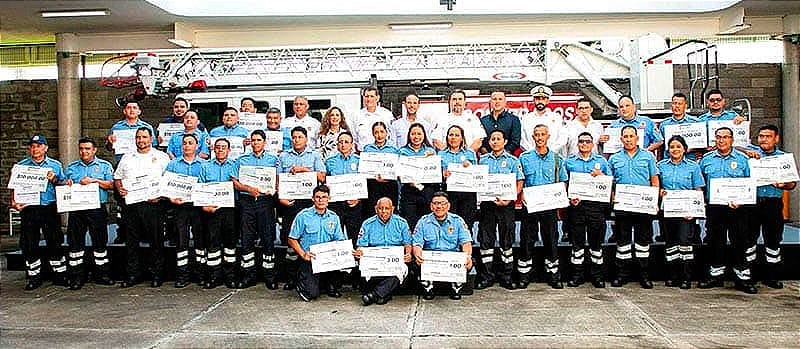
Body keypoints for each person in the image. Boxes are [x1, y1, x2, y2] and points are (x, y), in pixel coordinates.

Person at [698, 127, 756, 294]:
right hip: (715, 208)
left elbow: (750, 184)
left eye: (725, 137)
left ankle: (742, 277)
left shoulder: (743, 160)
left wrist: (742, 200)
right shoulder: (706, 160)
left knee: (740, 241)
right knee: (715, 241)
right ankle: (716, 275)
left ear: (732, 140)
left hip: (738, 208)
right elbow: (700, 183)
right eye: (718, 137)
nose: (722, 140)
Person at [113, 127, 170, 288]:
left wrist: (161, 196)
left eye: (144, 137)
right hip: (132, 205)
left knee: (156, 241)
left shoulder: (162, 157)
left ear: (151, 138)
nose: (141, 140)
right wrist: (120, 189)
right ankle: (133, 274)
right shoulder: (127, 157)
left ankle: (157, 275)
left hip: (154, 205)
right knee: (131, 241)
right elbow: (118, 178)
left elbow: (169, 179)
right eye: (138, 137)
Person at [9, 134, 66, 290]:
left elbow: (64, 185)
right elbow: (14, 187)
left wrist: (54, 179)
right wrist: (14, 202)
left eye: (39, 146)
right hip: (29, 208)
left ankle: (59, 274)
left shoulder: (55, 165)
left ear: (45, 148)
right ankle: (34, 276)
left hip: (49, 207)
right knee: (30, 242)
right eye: (33, 146)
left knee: (54, 240)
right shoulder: (21, 166)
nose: (35, 149)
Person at [744, 125, 797, 289]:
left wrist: (783, 184)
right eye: (761, 136)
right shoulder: (750, 155)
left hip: (773, 204)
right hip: (752, 203)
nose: (764, 139)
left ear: (776, 138)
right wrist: (747, 152)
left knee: (773, 240)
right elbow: (734, 146)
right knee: (749, 240)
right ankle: (750, 275)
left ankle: (772, 276)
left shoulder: (784, 158)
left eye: (768, 136)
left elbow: (792, 184)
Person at [608, 125, 660, 289]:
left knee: (643, 242)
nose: (629, 139)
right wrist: (612, 197)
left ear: (637, 138)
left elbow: (654, 180)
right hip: (622, 206)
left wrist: (654, 202)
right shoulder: (614, 159)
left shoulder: (648, 156)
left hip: (643, 206)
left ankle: (644, 275)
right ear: (621, 139)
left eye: (632, 136)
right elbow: (610, 183)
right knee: (622, 241)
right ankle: (622, 275)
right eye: (626, 136)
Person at [518, 124, 569, 289]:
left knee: (551, 240)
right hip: (530, 206)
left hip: (549, 207)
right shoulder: (524, 158)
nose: (539, 138)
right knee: (527, 240)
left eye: (542, 134)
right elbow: (520, 180)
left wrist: (560, 196)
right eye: (537, 135)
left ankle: (554, 275)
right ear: (533, 137)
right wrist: (522, 195)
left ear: (548, 136)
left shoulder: (557, 159)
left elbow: (563, 182)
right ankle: (524, 275)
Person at [277, 127, 326, 290]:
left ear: (306, 139)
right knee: (291, 241)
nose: (296, 139)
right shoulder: (283, 156)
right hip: (290, 203)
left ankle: (309, 275)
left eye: (300, 137)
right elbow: (277, 180)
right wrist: (280, 197)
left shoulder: (315, 155)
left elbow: (322, 177)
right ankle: (292, 278)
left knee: (308, 238)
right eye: (294, 137)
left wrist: (305, 170)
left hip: (309, 203)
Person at [64, 137, 115, 290]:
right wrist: (67, 184)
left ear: (94, 150)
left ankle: (102, 274)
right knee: (75, 243)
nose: (84, 151)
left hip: (96, 208)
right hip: (76, 209)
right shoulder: (72, 168)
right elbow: (64, 186)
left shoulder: (104, 166)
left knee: (100, 242)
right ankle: (77, 277)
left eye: (87, 149)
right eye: (81, 149)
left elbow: (111, 185)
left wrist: (94, 181)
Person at [231, 130, 280, 289]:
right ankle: (248, 275)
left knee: (268, 239)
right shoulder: (242, 159)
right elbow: (235, 182)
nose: (255, 143)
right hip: (247, 202)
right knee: (247, 238)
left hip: (265, 202)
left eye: (258, 140)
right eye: (253, 140)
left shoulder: (273, 160)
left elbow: (278, 180)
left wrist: (274, 189)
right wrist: (248, 188)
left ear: (264, 142)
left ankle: (269, 276)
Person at [476, 129, 523, 290]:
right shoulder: (482, 161)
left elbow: (519, 183)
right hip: (487, 206)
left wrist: (509, 199)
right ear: (489, 142)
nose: (495, 141)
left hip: (506, 205)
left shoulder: (512, 161)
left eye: (498, 138)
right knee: (486, 240)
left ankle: (506, 276)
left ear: (504, 141)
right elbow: (477, 182)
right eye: (492, 139)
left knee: (506, 240)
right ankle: (487, 276)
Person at [657, 135, 705, 289]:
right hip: (668, 210)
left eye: (678, 147)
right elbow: (657, 187)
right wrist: (660, 192)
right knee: (670, 243)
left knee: (684, 242)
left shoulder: (693, 166)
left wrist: (695, 211)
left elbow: (698, 190)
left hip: (686, 212)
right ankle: (673, 275)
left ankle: (686, 276)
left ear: (684, 149)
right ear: (668, 150)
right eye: (672, 147)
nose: (675, 150)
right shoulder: (661, 166)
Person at [564, 132, 610, 288]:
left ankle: (597, 276)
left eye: (587, 141)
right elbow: (564, 183)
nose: (584, 144)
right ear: (577, 144)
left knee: (596, 243)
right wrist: (569, 198)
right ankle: (577, 275)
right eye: (581, 141)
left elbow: (610, 183)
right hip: (576, 207)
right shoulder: (569, 162)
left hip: (596, 207)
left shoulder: (601, 161)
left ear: (592, 144)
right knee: (577, 243)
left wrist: (601, 175)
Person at [288, 185, 347, 301]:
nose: (321, 200)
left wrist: (347, 252)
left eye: (324, 197)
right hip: (310, 259)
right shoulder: (303, 216)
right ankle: (301, 280)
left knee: (336, 281)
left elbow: (340, 239)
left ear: (329, 199)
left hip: (328, 259)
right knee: (312, 294)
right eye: (318, 197)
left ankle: (326, 284)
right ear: (313, 199)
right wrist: (303, 254)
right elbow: (291, 239)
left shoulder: (334, 217)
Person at [412, 192, 473, 300]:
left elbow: (466, 242)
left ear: (448, 206)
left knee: (468, 261)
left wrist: (467, 257)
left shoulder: (457, 221)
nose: (439, 206)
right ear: (431, 206)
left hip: (451, 258)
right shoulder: (423, 222)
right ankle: (428, 286)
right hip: (431, 259)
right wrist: (418, 255)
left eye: (442, 203)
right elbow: (417, 243)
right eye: (436, 203)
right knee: (415, 262)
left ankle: (456, 286)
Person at [163, 134, 204, 288]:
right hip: (180, 207)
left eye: (190, 143)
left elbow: (207, 185)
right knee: (182, 241)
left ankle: (201, 274)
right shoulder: (172, 164)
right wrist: (170, 198)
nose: (187, 145)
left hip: (198, 207)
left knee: (200, 240)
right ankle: (182, 275)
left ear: (196, 146)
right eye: (184, 143)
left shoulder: (204, 164)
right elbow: (165, 185)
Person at [198, 138, 240, 289]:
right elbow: (200, 188)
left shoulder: (235, 166)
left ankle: (230, 277)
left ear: (229, 150)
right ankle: (214, 276)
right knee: (213, 243)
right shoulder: (205, 166)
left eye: (224, 147)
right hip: (211, 210)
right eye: (218, 147)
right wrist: (205, 206)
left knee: (230, 243)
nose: (221, 150)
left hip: (230, 209)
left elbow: (240, 185)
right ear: (213, 150)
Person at [354, 198, 412, 306]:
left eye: (387, 208)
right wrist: (359, 252)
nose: (383, 211)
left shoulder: (402, 223)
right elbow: (361, 246)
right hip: (375, 263)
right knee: (367, 275)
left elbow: (408, 244)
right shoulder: (367, 224)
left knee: (400, 272)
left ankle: (374, 294)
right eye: (380, 208)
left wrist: (408, 254)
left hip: (393, 262)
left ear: (392, 209)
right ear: (376, 209)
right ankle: (383, 294)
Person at [439, 125, 478, 251]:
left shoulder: (470, 153)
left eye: (457, 135)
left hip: (467, 195)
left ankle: (467, 257)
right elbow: (434, 175)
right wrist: (442, 174)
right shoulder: (441, 154)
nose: (453, 138)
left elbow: (477, 175)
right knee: (449, 226)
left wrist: (470, 168)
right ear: (447, 137)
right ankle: (451, 256)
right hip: (448, 194)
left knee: (466, 226)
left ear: (462, 138)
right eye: (451, 135)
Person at [398, 123, 438, 231]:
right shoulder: (402, 152)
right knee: (409, 222)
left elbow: (435, 172)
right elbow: (399, 173)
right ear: (409, 135)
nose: (416, 137)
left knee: (427, 222)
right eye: (413, 134)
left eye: (419, 134)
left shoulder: (431, 151)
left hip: (427, 191)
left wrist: (432, 159)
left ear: (424, 135)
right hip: (409, 191)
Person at [325, 132, 363, 243]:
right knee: (335, 234)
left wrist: (358, 199)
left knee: (355, 234)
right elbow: (325, 180)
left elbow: (364, 182)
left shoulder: (359, 160)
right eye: (340, 142)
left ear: (352, 144)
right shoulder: (329, 161)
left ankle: (355, 258)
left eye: (346, 142)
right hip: (335, 204)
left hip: (354, 203)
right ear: (337, 144)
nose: (343, 145)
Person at [599, 95, 663, 153]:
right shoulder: (613, 126)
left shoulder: (647, 122)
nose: (624, 109)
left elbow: (659, 141)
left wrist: (645, 151)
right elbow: (606, 145)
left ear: (634, 107)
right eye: (621, 107)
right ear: (618, 109)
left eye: (627, 106)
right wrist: (602, 141)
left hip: (642, 161)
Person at [362, 121, 400, 210]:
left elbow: (397, 169)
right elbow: (364, 169)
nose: (379, 135)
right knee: (371, 211)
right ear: (373, 134)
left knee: (388, 210)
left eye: (382, 132)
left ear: (386, 133)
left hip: (389, 185)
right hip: (372, 185)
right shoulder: (367, 149)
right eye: (376, 132)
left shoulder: (394, 149)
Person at [520, 86, 567, 155]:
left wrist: (549, 152)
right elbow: (522, 139)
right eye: (538, 99)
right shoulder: (526, 118)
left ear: (548, 101)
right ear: (533, 100)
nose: (540, 101)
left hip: (552, 155)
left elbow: (563, 138)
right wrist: (534, 153)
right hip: (531, 156)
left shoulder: (557, 118)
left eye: (543, 99)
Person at [658, 93, 702, 160]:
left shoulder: (695, 122)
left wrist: (690, 148)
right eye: (675, 103)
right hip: (668, 162)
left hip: (689, 160)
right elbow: (661, 146)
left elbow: (701, 143)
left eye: (680, 104)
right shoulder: (664, 124)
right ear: (671, 105)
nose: (677, 106)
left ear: (685, 106)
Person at [352, 87, 395, 151]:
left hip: (383, 153)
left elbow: (392, 136)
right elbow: (354, 138)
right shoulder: (357, 116)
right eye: (366, 96)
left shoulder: (387, 114)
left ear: (377, 98)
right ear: (363, 98)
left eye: (372, 96)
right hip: (363, 154)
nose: (369, 99)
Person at [480, 91, 521, 155]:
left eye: (500, 99)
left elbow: (515, 141)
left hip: (507, 159)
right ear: (490, 102)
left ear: (505, 102)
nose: (497, 102)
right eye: (494, 99)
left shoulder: (514, 120)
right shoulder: (483, 120)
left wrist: (501, 154)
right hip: (486, 158)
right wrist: (487, 155)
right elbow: (480, 141)